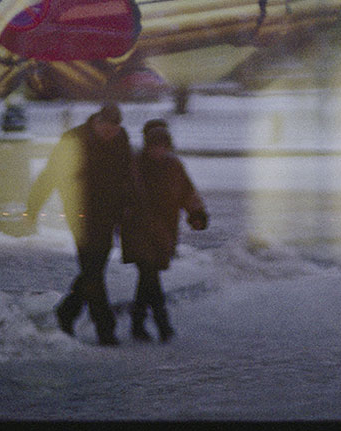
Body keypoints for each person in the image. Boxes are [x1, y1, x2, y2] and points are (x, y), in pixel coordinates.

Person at [24, 102, 132, 345]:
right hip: (80, 213)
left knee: (93, 270)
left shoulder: (120, 138)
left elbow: (128, 175)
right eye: (107, 130)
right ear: (98, 122)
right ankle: (105, 328)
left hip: (109, 215)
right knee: (92, 271)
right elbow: (50, 174)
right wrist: (32, 208)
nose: (110, 136)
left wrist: (130, 207)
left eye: (115, 131)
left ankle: (66, 312)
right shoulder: (73, 140)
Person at [121, 117, 209, 342]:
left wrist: (196, 214)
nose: (159, 151)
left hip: (164, 232)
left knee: (147, 278)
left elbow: (188, 193)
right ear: (147, 145)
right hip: (139, 230)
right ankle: (163, 326)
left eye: (163, 146)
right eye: (154, 146)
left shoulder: (174, 166)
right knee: (149, 274)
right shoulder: (135, 166)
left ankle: (138, 324)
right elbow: (122, 197)